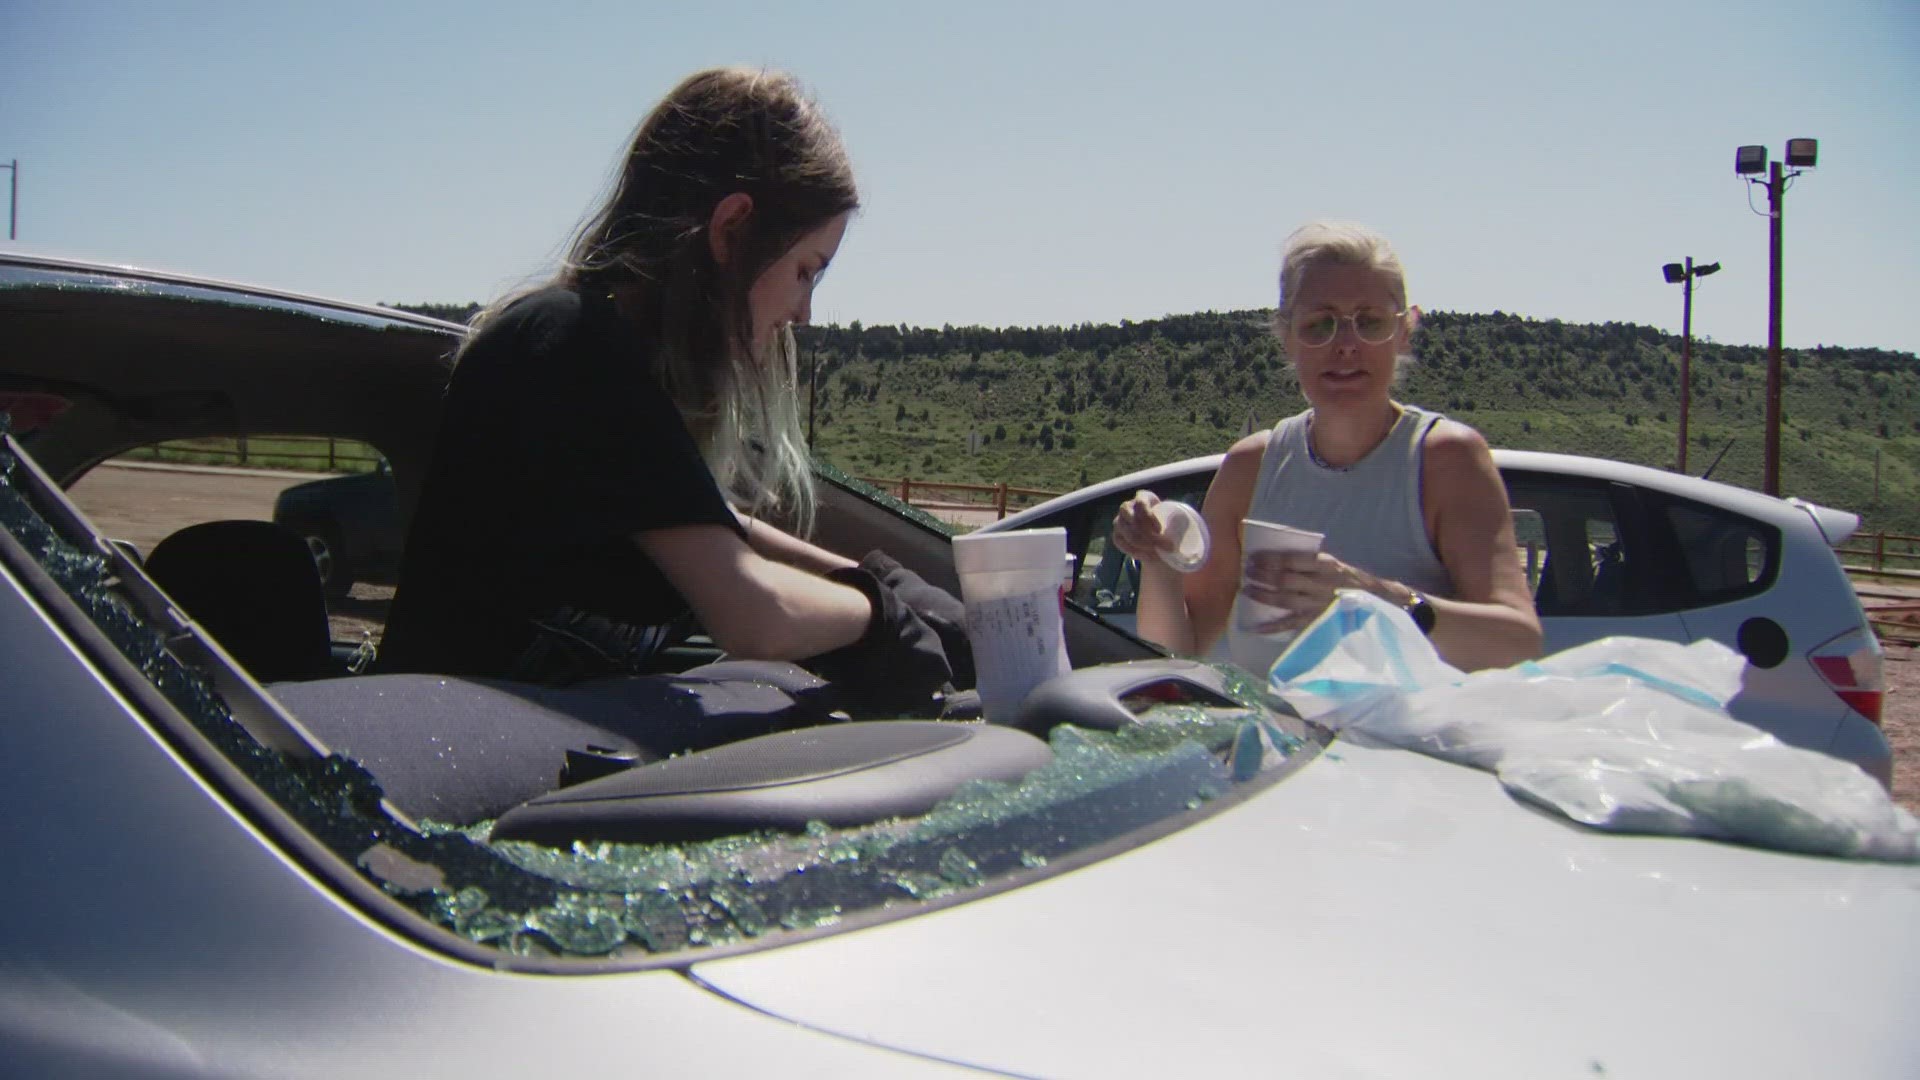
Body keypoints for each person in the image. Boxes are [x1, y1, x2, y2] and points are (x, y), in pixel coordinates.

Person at [377, 67, 961, 708]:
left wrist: (868, 577)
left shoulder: (615, 360)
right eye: (805, 271)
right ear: (733, 229)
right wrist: (881, 617)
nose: (804, 314)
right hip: (444, 760)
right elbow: (753, 614)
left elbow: (699, 521)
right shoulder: (568, 345)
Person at [1110, 222, 1542, 673]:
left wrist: (1374, 598)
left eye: (1370, 322)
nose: (1346, 346)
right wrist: (1157, 560)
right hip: (1277, 741)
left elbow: (1517, 641)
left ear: (1404, 331)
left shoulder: (1445, 460)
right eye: (1321, 325)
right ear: (1287, 337)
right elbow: (1183, 650)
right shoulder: (1251, 467)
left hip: (1407, 744)